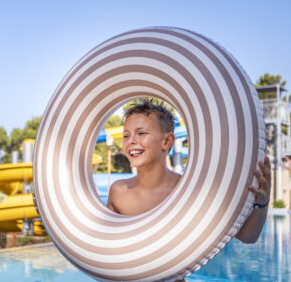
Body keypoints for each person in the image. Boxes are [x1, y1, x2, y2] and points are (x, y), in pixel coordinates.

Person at [107, 100, 271, 246]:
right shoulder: (119, 192)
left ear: (167, 141)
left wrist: (262, 203)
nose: (131, 141)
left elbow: (248, 237)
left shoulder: (188, 190)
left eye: (141, 133)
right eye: (126, 135)